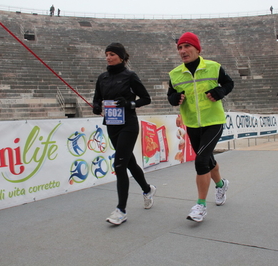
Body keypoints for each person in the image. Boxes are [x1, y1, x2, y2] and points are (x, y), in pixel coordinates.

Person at [167, 32, 234, 222]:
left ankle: (200, 206)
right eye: (180, 47)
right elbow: (171, 95)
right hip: (192, 124)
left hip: (213, 121)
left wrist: (220, 91)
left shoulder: (214, 67)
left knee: (201, 160)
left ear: (197, 49)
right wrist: (175, 98)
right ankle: (221, 184)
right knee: (207, 159)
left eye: (187, 46)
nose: (183, 51)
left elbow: (229, 83)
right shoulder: (175, 74)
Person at [93, 43, 156, 225]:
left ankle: (121, 210)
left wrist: (129, 104)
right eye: (106, 54)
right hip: (111, 125)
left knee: (119, 165)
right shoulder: (102, 77)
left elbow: (146, 98)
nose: (108, 57)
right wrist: (96, 107)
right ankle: (147, 189)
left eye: (112, 54)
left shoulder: (130, 76)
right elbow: (97, 99)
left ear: (121, 56)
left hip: (128, 124)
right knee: (129, 162)